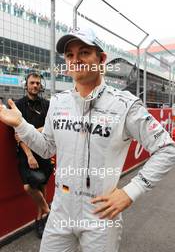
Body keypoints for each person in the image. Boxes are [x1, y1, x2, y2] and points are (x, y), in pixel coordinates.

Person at [0, 28, 175, 252]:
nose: (76, 59)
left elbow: (167, 148)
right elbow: (46, 148)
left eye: (83, 52)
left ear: (101, 59)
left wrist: (130, 192)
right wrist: (20, 125)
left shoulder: (124, 104)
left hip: (101, 214)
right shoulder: (58, 102)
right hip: (61, 210)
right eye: (70, 55)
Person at [15, 72, 54, 239]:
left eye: (38, 83)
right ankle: (48, 211)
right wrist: (29, 155)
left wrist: (29, 131)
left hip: (44, 151)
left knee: (43, 186)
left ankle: (40, 220)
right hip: (26, 153)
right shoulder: (18, 105)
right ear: (26, 85)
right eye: (32, 83)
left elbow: (49, 128)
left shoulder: (47, 105)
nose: (35, 86)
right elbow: (18, 134)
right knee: (29, 186)